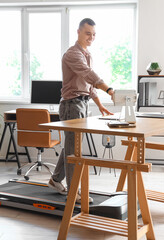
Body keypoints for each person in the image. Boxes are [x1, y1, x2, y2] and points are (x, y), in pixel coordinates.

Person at [48, 18, 114, 203]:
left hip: (82, 104)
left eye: (93, 34)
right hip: (71, 105)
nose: (91, 37)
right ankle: (73, 192)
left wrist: (99, 104)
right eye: (87, 33)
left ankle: (55, 180)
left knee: (71, 146)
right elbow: (88, 75)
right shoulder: (72, 54)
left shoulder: (88, 54)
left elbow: (88, 84)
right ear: (78, 32)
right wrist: (109, 89)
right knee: (74, 150)